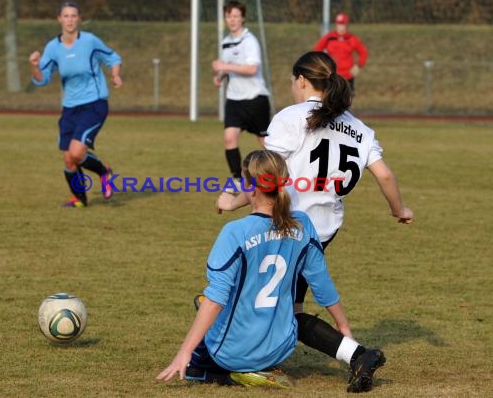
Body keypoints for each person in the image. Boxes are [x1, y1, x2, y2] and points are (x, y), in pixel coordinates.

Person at [157, 150, 386, 393]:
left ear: (250, 187)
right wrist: (344, 330)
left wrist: (184, 352)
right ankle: (354, 354)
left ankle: (233, 374)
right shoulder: (303, 224)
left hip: (233, 353)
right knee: (287, 313)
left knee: (202, 310)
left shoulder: (235, 232)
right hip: (279, 348)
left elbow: (215, 300)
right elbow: (322, 284)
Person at [217, 51, 413, 314]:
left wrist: (232, 202)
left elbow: (267, 174)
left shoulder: (291, 117)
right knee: (290, 303)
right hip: (325, 229)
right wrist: (399, 210)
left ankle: (352, 350)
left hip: (288, 223)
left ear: (301, 80)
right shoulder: (360, 128)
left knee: (250, 295)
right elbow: (385, 175)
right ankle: (350, 348)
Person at [29, 2, 123, 208]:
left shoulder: (89, 41)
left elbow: (112, 57)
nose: (70, 20)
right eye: (66, 16)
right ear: (59, 19)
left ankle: (103, 172)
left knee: (77, 152)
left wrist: (115, 75)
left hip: (94, 104)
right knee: (69, 160)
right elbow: (42, 79)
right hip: (70, 108)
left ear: (78, 19)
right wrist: (34, 66)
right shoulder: (53, 47)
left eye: (73, 16)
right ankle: (80, 199)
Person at [212, 0, 271, 188]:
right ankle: (238, 180)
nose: (232, 20)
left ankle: (281, 175)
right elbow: (229, 67)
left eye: (236, 16)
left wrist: (224, 66)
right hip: (234, 100)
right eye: (229, 16)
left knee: (266, 143)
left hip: (255, 98)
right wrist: (220, 76)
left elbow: (252, 69)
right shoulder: (226, 42)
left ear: (243, 18)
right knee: (229, 138)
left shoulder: (249, 41)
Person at [314, 13, 368, 91]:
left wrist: (358, 65)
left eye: (343, 24)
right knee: (331, 100)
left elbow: (363, 52)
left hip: (347, 77)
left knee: (345, 101)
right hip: (332, 76)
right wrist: (323, 66)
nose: (341, 27)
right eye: (339, 24)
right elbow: (317, 51)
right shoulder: (329, 37)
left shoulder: (351, 39)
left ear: (346, 25)